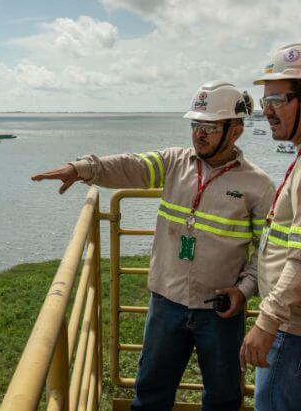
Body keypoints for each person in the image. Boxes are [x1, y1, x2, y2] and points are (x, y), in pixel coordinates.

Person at [32, 81, 275, 411]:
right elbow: (131, 166)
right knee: (150, 394)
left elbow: (266, 250)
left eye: (210, 127)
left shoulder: (258, 186)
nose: (199, 134)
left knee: (223, 398)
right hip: (167, 303)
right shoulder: (175, 162)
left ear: (235, 131)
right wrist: (81, 168)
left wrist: (244, 290)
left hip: (220, 310)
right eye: (195, 125)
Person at [241, 43, 301, 411]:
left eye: (277, 100)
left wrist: (267, 321)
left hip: (290, 329)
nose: (267, 112)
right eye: (265, 102)